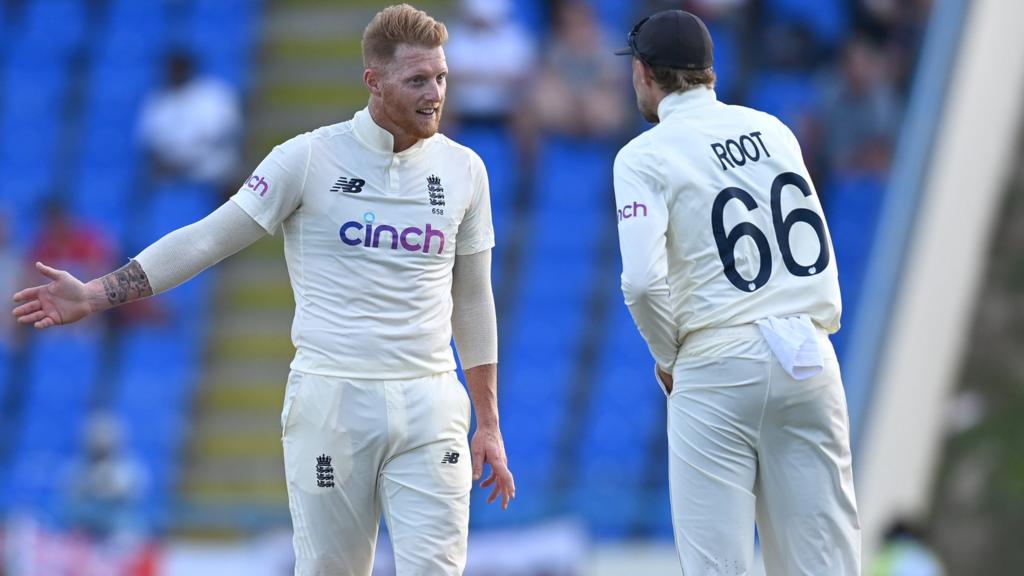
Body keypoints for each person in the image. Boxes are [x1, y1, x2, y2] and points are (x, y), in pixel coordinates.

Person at [12, 5, 515, 575]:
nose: (435, 94)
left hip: (431, 403)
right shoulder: (307, 158)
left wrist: (490, 423)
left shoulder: (465, 170)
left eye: (442, 78)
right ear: (373, 82)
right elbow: (207, 239)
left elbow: (472, 297)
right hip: (334, 402)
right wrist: (95, 294)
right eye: (417, 80)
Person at [612, 10, 860, 575]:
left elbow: (643, 282)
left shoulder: (643, 155)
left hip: (717, 359)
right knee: (825, 564)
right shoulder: (774, 129)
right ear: (709, 71)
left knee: (717, 566)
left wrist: (668, 357)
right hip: (809, 353)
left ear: (644, 73)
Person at [137, 48, 243, 188]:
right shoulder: (158, 100)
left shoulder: (214, 94)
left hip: (211, 170)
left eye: (178, 69)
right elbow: (150, 143)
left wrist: (188, 160)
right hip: (170, 173)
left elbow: (224, 135)